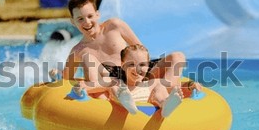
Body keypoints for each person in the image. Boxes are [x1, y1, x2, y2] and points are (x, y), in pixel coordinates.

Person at [50, 0, 186, 89]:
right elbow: (66, 79)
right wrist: (56, 74)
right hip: (114, 82)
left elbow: (141, 49)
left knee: (178, 57)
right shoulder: (79, 50)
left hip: (137, 72)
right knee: (87, 58)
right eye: (80, 19)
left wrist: (144, 72)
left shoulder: (114, 26)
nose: (87, 22)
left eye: (90, 16)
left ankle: (164, 91)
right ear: (73, 22)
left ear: (97, 14)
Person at [73, 44, 202, 117]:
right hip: (123, 99)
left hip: (148, 96)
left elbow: (178, 86)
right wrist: (81, 88)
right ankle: (124, 100)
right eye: (131, 65)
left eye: (142, 65)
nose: (137, 69)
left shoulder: (151, 83)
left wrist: (191, 86)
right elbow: (91, 86)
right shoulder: (115, 80)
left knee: (159, 86)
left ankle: (165, 105)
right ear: (123, 65)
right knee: (114, 86)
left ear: (148, 65)